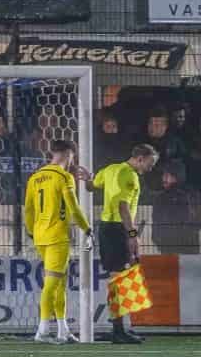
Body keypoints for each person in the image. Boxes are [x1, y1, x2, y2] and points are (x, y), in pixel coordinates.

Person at [92, 143, 158, 344]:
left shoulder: (111, 169)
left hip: (108, 227)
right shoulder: (129, 175)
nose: (151, 168)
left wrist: (88, 178)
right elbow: (123, 206)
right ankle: (118, 331)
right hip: (117, 229)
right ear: (140, 158)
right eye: (150, 163)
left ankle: (121, 327)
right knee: (118, 280)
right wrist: (132, 234)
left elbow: (91, 185)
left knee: (123, 279)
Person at [20, 139, 85, 343]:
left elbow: (28, 210)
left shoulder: (35, 177)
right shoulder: (64, 177)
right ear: (69, 154)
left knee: (59, 284)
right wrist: (87, 229)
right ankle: (42, 331)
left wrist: (32, 232)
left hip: (40, 236)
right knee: (51, 284)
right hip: (57, 237)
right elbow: (73, 207)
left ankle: (63, 330)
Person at [148, 163, 201, 255]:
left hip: (172, 246)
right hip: (186, 246)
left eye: (168, 175)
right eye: (164, 175)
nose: (164, 178)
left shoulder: (162, 197)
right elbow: (199, 222)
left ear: (177, 176)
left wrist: (158, 240)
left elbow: (157, 222)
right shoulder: (192, 194)